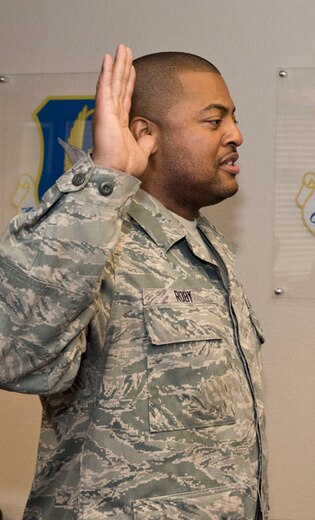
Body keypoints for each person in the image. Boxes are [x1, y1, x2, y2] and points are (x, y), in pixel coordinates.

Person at [0, 45, 268, 518]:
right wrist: (103, 178)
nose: (237, 135)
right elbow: (16, 356)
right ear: (146, 133)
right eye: (214, 120)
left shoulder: (207, 246)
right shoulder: (95, 241)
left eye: (234, 119)